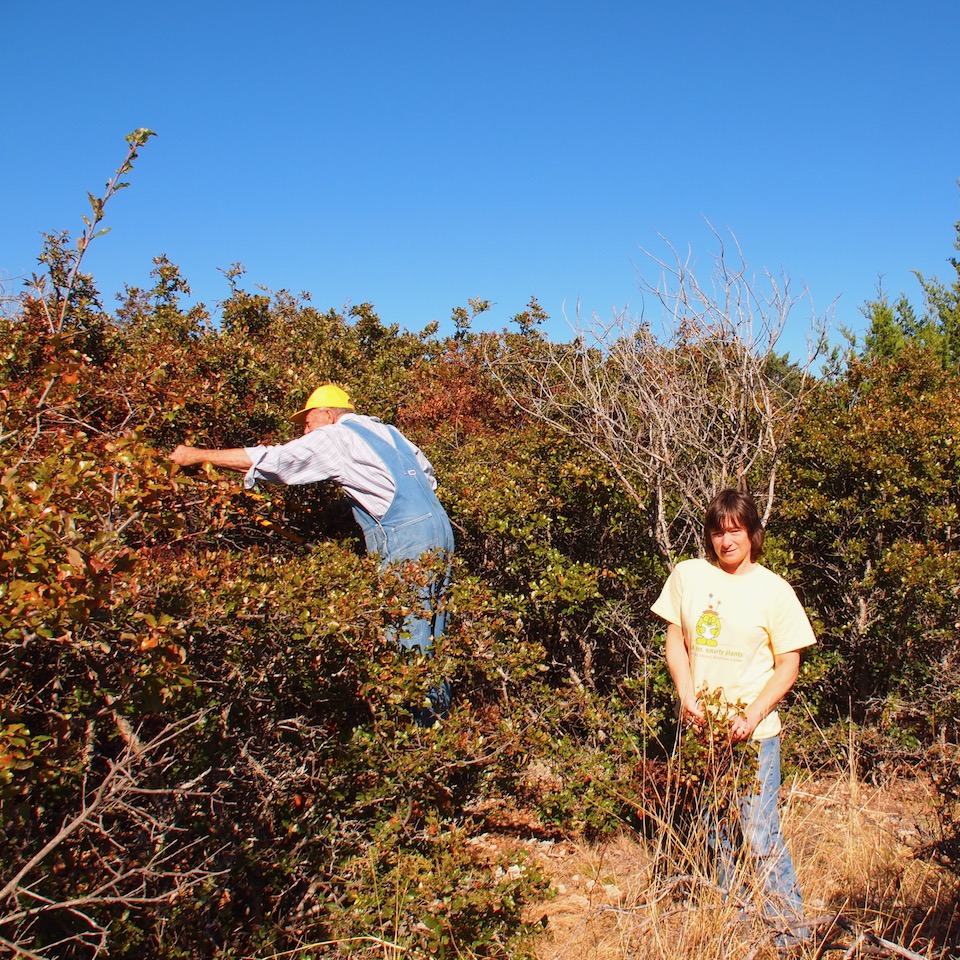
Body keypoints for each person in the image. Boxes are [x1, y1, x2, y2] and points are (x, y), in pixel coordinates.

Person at [169, 383, 455, 722]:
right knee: (434, 631)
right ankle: (440, 728)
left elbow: (277, 461)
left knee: (404, 635)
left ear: (329, 415)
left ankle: (415, 734)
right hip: (439, 529)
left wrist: (197, 456)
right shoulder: (389, 432)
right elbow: (428, 476)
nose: (304, 430)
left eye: (307, 422)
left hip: (405, 538)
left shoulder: (335, 437)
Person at [651, 489, 815, 950]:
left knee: (759, 834)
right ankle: (735, 929)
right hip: (703, 733)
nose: (726, 541)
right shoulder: (687, 576)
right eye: (718, 532)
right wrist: (686, 697)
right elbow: (675, 642)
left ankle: (791, 936)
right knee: (716, 833)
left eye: (735, 531)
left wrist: (751, 715)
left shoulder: (774, 589)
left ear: (752, 534)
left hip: (753, 736)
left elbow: (788, 665)